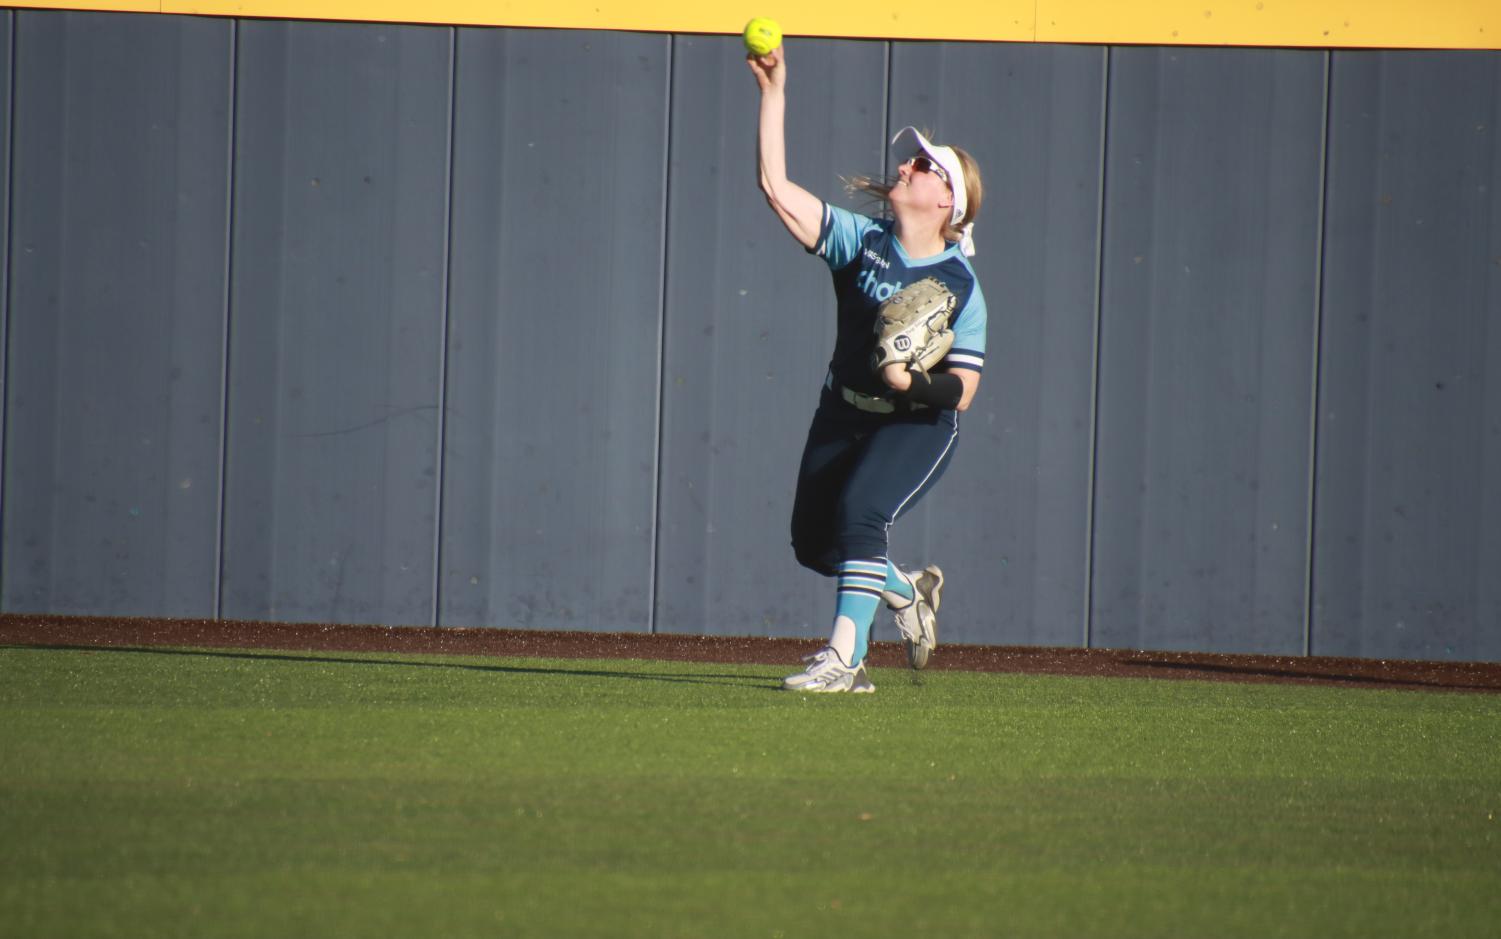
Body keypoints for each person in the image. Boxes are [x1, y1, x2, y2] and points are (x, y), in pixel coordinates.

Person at [747, 45, 987, 694]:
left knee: (860, 514)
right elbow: (775, 188)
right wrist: (775, 93)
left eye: (927, 166)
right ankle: (906, 592)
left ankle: (844, 661)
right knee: (815, 547)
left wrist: (911, 382)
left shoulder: (960, 286)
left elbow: (963, 391)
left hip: (918, 421)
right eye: (912, 157)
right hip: (844, 408)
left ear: (948, 203)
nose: (908, 164)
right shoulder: (863, 241)